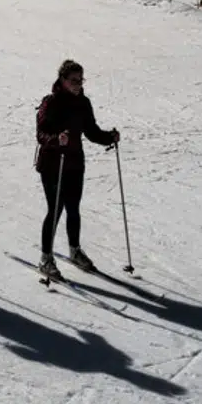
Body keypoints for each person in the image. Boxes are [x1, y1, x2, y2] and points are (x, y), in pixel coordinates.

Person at [35, 60, 120, 279]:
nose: (78, 84)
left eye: (80, 80)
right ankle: (46, 258)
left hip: (74, 163)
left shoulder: (83, 103)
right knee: (55, 209)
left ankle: (74, 250)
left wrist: (108, 137)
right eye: (73, 80)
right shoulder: (50, 102)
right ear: (62, 80)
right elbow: (41, 134)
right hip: (53, 164)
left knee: (73, 208)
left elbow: (91, 131)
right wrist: (57, 139)